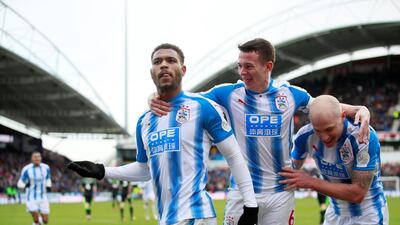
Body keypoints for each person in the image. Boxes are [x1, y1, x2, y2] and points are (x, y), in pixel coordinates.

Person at [149, 38, 371, 225]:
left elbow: (327, 107)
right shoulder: (226, 93)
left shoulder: (291, 95)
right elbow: (185, 100)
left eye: (249, 66)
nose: (242, 72)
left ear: (268, 66)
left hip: (280, 194)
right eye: (240, 66)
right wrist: (153, 96)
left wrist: (359, 109)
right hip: (242, 193)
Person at [68, 43, 259, 225]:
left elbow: (234, 157)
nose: (164, 64)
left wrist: (250, 207)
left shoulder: (203, 107)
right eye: (157, 62)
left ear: (183, 70)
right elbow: (145, 170)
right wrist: (102, 171)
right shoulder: (144, 121)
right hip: (167, 217)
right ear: (152, 72)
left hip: (196, 215)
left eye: (171, 60)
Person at [280, 95, 388, 225]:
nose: (324, 137)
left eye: (329, 129)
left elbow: (358, 194)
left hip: (368, 216)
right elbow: (288, 171)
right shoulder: (305, 137)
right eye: (318, 130)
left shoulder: (362, 136)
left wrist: (310, 182)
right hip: (334, 215)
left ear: (343, 117)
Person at [17, 151, 51, 225]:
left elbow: (48, 178)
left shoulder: (46, 168)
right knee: (36, 219)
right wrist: (25, 185)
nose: (37, 158)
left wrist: (48, 185)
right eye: (35, 157)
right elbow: (20, 183)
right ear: (32, 158)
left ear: (41, 158)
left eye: (38, 156)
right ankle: (36, 222)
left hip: (43, 197)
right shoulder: (26, 169)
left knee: (45, 221)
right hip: (31, 197)